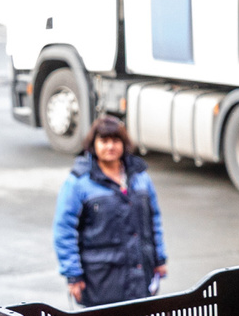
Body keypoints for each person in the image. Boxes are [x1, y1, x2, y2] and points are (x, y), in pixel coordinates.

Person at [55, 115, 167, 305]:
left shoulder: (140, 177)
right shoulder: (79, 183)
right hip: (100, 280)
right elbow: (64, 230)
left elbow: (153, 220)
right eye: (104, 141)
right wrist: (73, 275)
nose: (110, 146)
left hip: (138, 276)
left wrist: (159, 259)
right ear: (93, 144)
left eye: (115, 140)